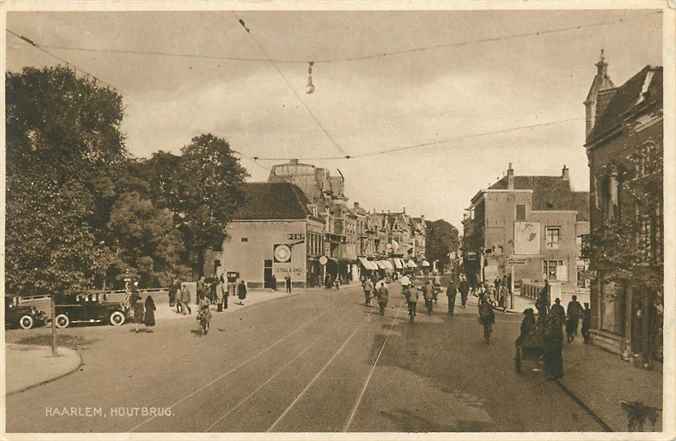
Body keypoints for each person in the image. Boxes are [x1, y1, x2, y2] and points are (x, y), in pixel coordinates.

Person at [543, 312, 564, 380]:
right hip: (556, 344)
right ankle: (557, 373)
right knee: (556, 359)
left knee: (549, 359)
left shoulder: (551, 327)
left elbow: (547, 335)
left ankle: (550, 374)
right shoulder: (557, 326)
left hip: (551, 345)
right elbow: (561, 336)